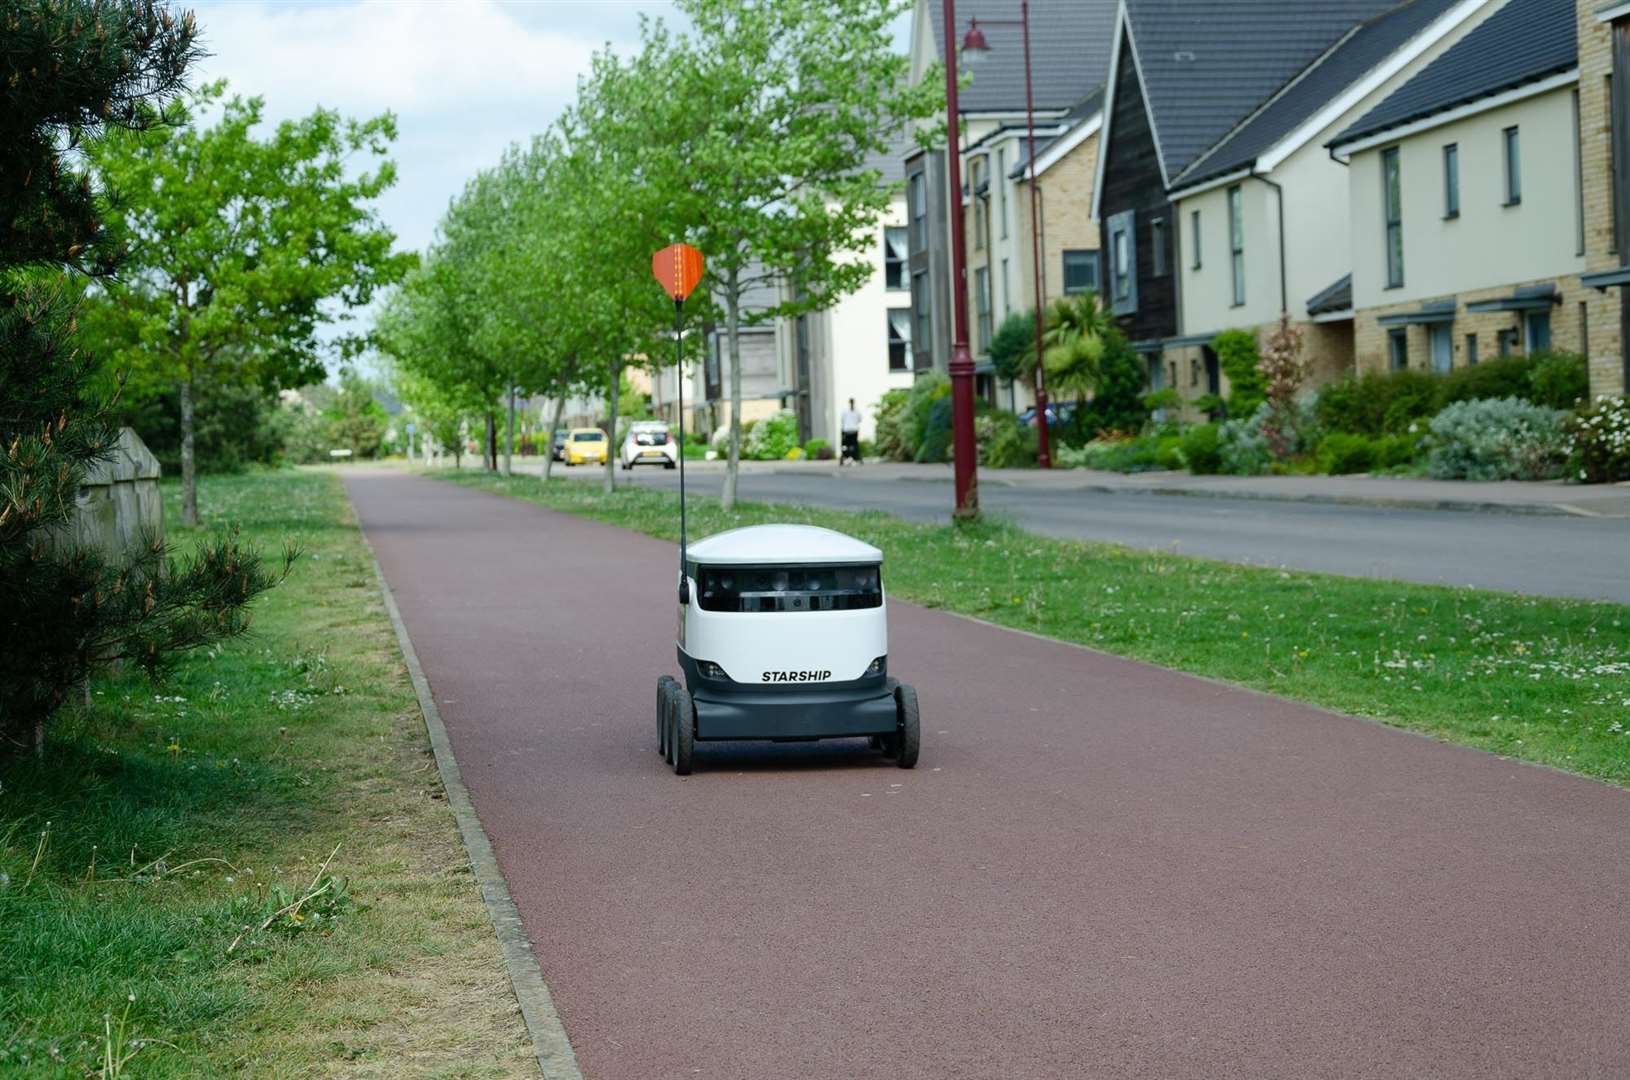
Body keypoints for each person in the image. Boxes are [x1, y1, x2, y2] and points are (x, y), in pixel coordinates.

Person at [839, 398, 863, 465]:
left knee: (848, 445)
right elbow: (860, 420)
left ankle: (850, 457)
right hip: (852, 430)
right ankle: (851, 457)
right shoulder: (855, 411)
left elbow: (842, 420)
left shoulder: (847, 411)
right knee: (852, 445)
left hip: (848, 430)